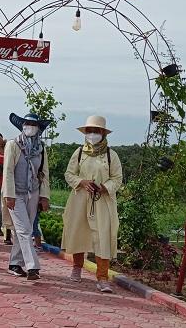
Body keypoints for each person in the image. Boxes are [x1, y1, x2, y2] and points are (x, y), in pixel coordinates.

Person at [61, 115, 123, 293]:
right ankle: (77, 268)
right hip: (80, 199)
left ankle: (102, 277)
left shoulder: (112, 155)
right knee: (78, 232)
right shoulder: (79, 152)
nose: (92, 134)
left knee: (102, 236)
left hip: (102, 202)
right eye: (89, 131)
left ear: (103, 133)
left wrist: (104, 187)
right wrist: (82, 182)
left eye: (96, 131)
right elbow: (69, 174)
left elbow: (117, 179)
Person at [2, 112, 51, 281]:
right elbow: (7, 170)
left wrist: (45, 196)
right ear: (22, 126)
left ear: (38, 128)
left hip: (33, 193)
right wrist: (8, 194)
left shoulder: (41, 148)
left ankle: (14, 263)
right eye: (26, 123)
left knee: (26, 229)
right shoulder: (13, 145)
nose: (29, 127)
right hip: (15, 193)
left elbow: (43, 173)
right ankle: (32, 266)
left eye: (33, 124)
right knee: (24, 230)